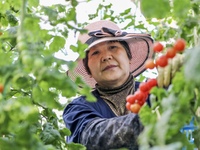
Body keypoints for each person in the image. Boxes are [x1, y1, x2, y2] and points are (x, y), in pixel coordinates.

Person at [62, 20, 182, 150]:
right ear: (88, 70)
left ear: (129, 57)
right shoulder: (77, 107)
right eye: (95, 53)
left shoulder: (156, 91)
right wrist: (155, 119)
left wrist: (183, 78)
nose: (106, 56)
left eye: (113, 47)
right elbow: (91, 137)